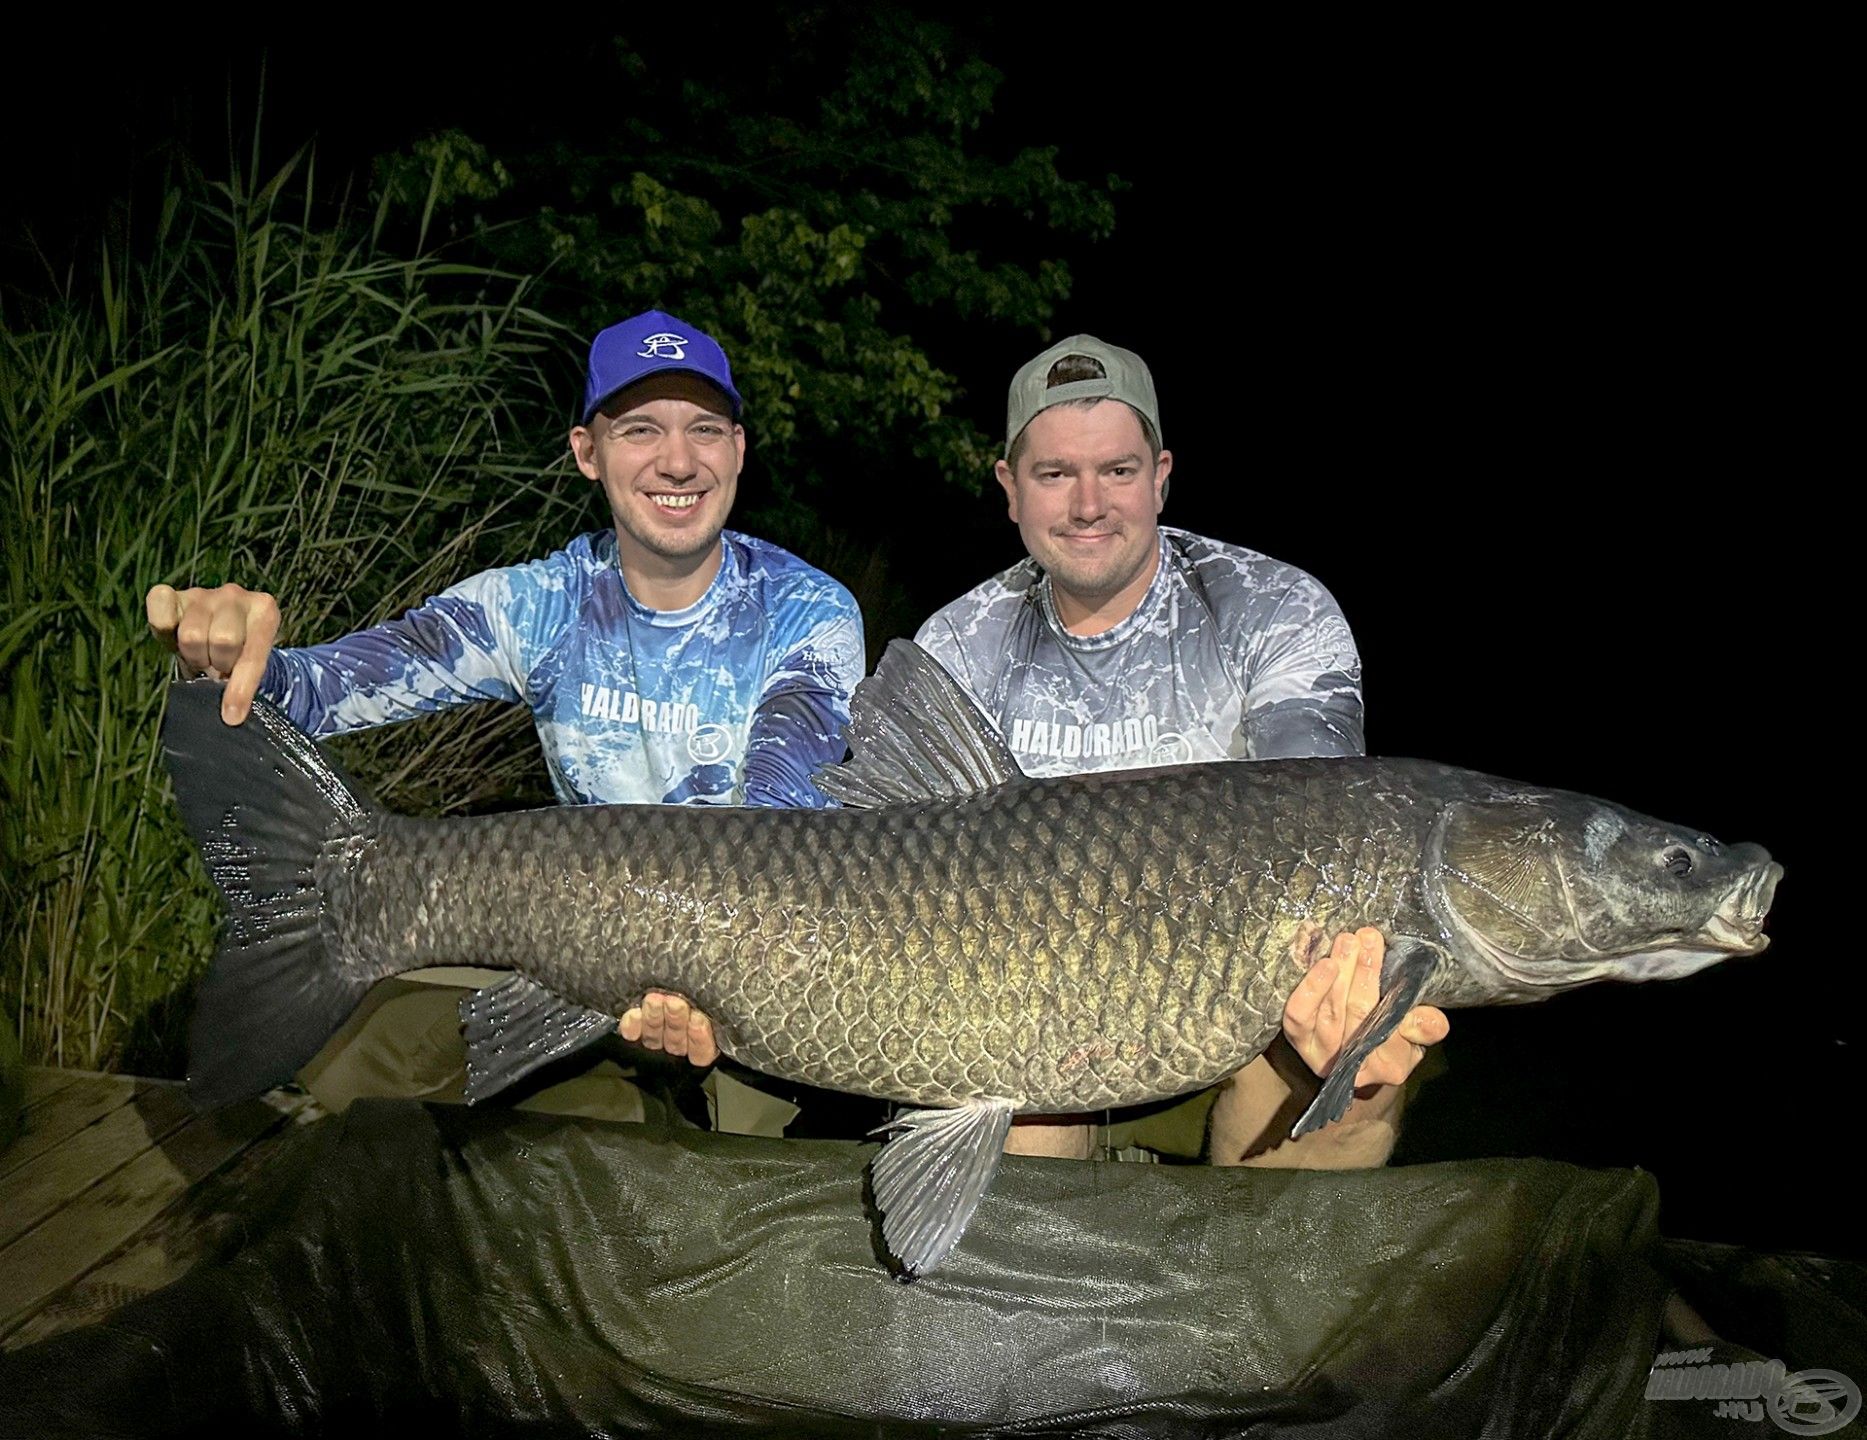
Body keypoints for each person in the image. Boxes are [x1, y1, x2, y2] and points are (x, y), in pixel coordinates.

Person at [146, 309, 865, 1128]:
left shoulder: (808, 612)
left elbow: (780, 824)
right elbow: (317, 690)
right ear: (587, 454)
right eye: (639, 429)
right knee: (351, 1059)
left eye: (705, 429)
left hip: (768, 968)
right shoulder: (539, 603)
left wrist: (697, 963)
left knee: (745, 1161)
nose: (677, 460)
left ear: (737, 451)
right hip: (580, 959)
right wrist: (228, 659)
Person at [914, 334, 1450, 1167]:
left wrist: (1342, 996)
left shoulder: (1271, 610)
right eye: (1055, 474)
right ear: (1009, 488)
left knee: (1354, 1075)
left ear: (1160, 476)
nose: (1088, 503)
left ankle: (1258, 1294)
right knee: (1013, 1111)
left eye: (1118, 472)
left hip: (1233, 1003)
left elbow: (1321, 828)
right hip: (1026, 1004)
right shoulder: (959, 643)